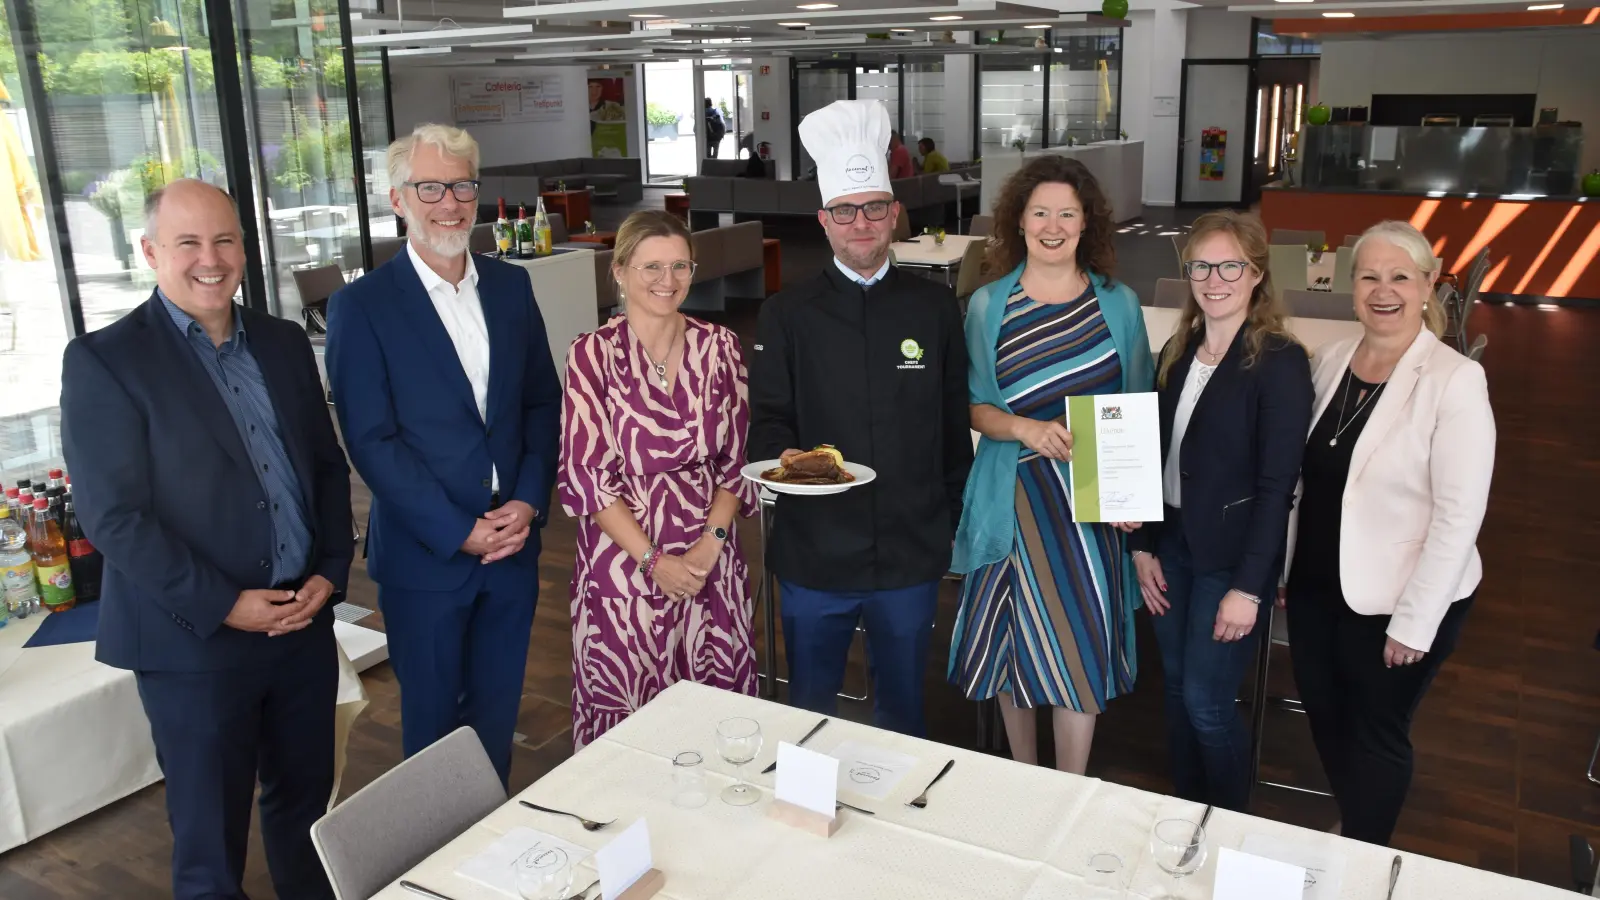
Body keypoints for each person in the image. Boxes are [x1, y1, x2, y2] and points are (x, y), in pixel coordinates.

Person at [60, 179, 353, 900]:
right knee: (210, 847)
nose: (209, 259)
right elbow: (113, 517)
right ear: (150, 251)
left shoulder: (283, 343)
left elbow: (320, 466)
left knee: (304, 810)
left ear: (245, 250)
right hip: (194, 639)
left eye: (224, 240)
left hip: (301, 621)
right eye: (187, 243)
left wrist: (330, 570)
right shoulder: (106, 361)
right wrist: (226, 604)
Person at [326, 123, 561, 786]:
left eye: (462, 185)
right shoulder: (361, 307)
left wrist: (528, 500)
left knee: (494, 718)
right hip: (426, 556)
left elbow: (543, 403)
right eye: (430, 187)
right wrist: (459, 531)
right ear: (398, 200)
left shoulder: (511, 289)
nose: (449, 202)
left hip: (513, 544)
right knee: (432, 731)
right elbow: (370, 440)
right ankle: (432, 870)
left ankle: (489, 852)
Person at [749, 99, 972, 737]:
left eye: (875, 207)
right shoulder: (787, 314)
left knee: (903, 712)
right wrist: (791, 471)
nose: (862, 223)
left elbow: (952, 426)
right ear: (824, 220)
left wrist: (946, 519)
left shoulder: (933, 309)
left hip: (909, 552)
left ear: (895, 214)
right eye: (846, 211)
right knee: (810, 711)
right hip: (815, 551)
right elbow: (767, 424)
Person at [1284, 220, 1494, 845]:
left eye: (1401, 276)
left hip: (1400, 596)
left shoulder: (1453, 379)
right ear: (1351, 288)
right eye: (1369, 276)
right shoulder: (1330, 360)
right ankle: (1356, 818)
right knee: (1325, 717)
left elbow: (1460, 516)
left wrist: (1414, 621)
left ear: (1429, 285)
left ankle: (1364, 856)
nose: (1384, 290)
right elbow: (1305, 483)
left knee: (1375, 730)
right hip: (1318, 582)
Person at [948, 155, 1152, 773]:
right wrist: (1025, 429)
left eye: (1068, 212)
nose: (1054, 224)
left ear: (1087, 222)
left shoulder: (1119, 304)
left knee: (1080, 643)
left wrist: (1130, 502)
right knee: (1016, 645)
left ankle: (1071, 787)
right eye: (1041, 212)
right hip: (1015, 500)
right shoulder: (988, 305)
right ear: (1020, 220)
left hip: (1091, 504)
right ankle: (1023, 777)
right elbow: (975, 406)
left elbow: (1139, 408)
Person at [1131, 211, 1313, 810]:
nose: (1215, 278)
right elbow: (1157, 455)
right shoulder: (1178, 349)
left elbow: (1277, 486)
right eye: (1201, 265)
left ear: (1256, 273)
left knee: (1209, 703)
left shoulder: (1280, 361)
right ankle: (1187, 811)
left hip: (1230, 560)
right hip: (1172, 543)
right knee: (1179, 691)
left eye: (1230, 264)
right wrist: (1142, 546)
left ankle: (1231, 823)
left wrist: (1251, 587)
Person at [559, 210, 759, 747]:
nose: (666, 281)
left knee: (719, 716)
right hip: (623, 566)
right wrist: (653, 560)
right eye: (651, 267)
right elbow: (587, 477)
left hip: (708, 559)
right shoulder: (590, 356)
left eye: (679, 266)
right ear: (619, 272)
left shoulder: (721, 347)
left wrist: (710, 545)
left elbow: (737, 461)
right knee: (630, 723)